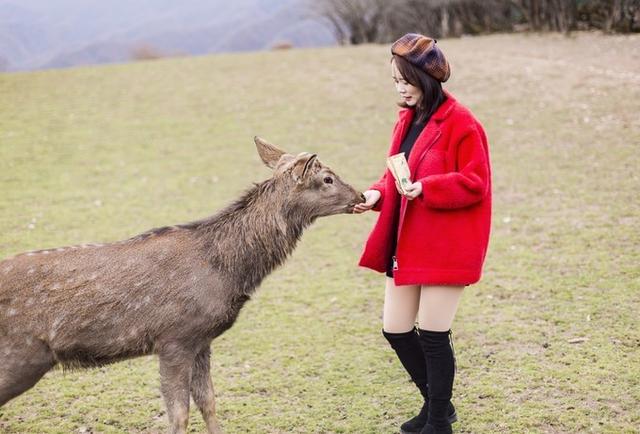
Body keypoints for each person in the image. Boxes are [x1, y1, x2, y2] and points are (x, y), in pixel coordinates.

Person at [353, 33, 492, 434]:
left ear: (425, 79)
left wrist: (428, 188)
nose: (399, 88)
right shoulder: (406, 120)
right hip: (407, 241)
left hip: (447, 245)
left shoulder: (462, 122)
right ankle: (437, 407)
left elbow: (475, 181)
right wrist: (374, 194)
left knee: (433, 334)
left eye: (404, 81)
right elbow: (395, 172)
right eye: (395, 80)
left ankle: (438, 420)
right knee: (395, 328)